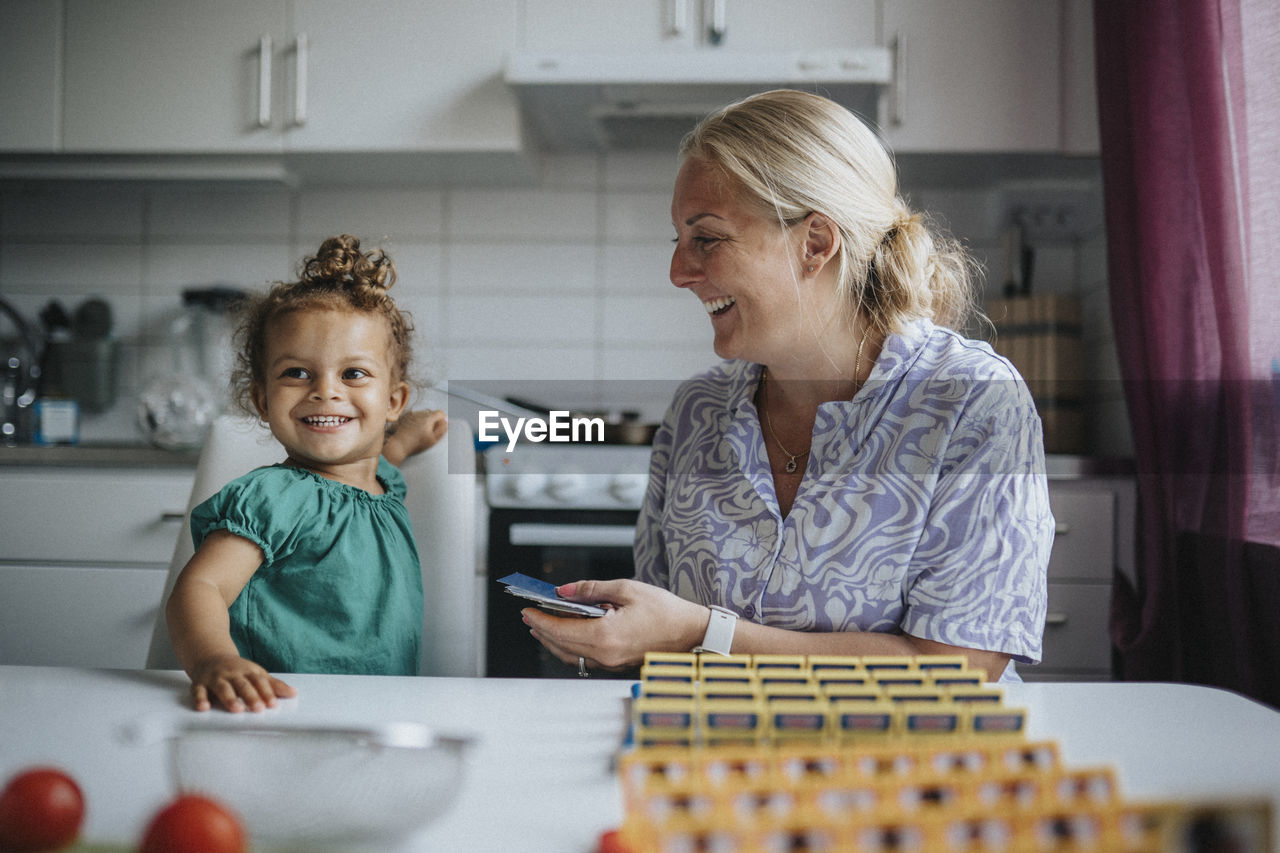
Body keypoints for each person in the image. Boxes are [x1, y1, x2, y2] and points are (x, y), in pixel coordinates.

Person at [525, 90, 1053, 683]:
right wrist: (614, 640)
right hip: (710, 760)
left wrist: (705, 633)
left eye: (707, 238)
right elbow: (661, 629)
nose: (678, 272)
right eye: (677, 240)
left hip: (910, 766)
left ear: (816, 245)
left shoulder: (971, 401)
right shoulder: (697, 413)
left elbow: (963, 666)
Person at [166, 234, 449, 712]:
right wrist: (214, 659)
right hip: (283, 712)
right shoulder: (272, 497)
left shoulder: (380, 484)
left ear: (393, 402)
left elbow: (383, 459)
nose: (325, 392)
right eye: (297, 373)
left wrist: (401, 438)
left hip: (378, 713)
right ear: (262, 400)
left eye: (353, 374)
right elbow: (202, 587)